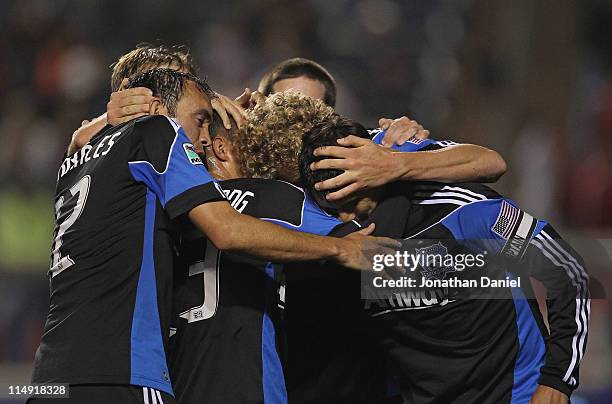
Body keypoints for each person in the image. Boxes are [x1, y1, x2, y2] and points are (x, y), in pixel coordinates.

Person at [29, 68, 397, 404]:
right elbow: (395, 266)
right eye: (200, 122)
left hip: (74, 375)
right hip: (213, 388)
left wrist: (88, 131)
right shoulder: (274, 201)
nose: (201, 140)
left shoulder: (159, 211)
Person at [298, 115, 590, 404]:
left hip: (515, 393)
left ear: (374, 179)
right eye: (332, 210)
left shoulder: (467, 213)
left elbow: (566, 272)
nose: (346, 221)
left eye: (352, 205)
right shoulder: (329, 236)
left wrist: (557, 380)